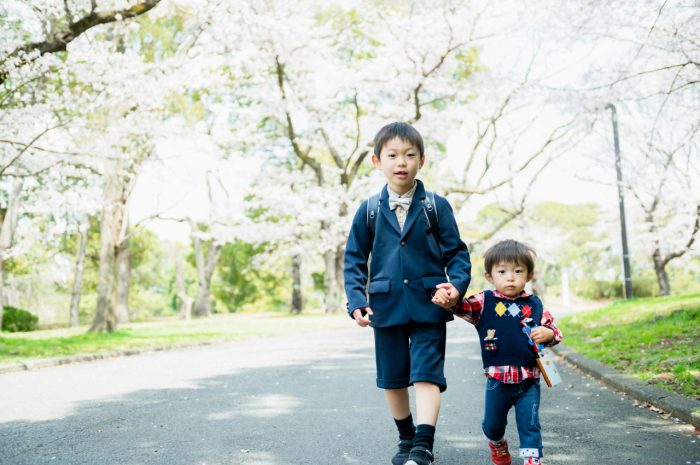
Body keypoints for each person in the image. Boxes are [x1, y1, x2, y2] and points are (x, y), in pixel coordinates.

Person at [344, 122, 472, 465]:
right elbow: (355, 258)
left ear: (422, 161)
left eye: (410, 155)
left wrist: (456, 287)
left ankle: (423, 445)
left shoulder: (435, 205)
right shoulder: (368, 209)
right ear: (376, 161)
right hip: (385, 307)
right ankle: (406, 439)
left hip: (430, 305)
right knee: (393, 378)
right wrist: (356, 300)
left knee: (427, 374)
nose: (401, 162)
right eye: (392, 155)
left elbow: (457, 254)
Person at [432, 239, 562, 465]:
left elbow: (555, 332)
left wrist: (547, 333)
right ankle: (497, 443)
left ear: (529, 275)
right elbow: (460, 307)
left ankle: (532, 460)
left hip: (529, 380)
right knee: (493, 425)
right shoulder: (485, 302)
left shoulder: (535, 305)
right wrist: (447, 299)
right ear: (490, 276)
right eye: (502, 271)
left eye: (518, 271)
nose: (510, 277)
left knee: (530, 424)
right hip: (497, 381)